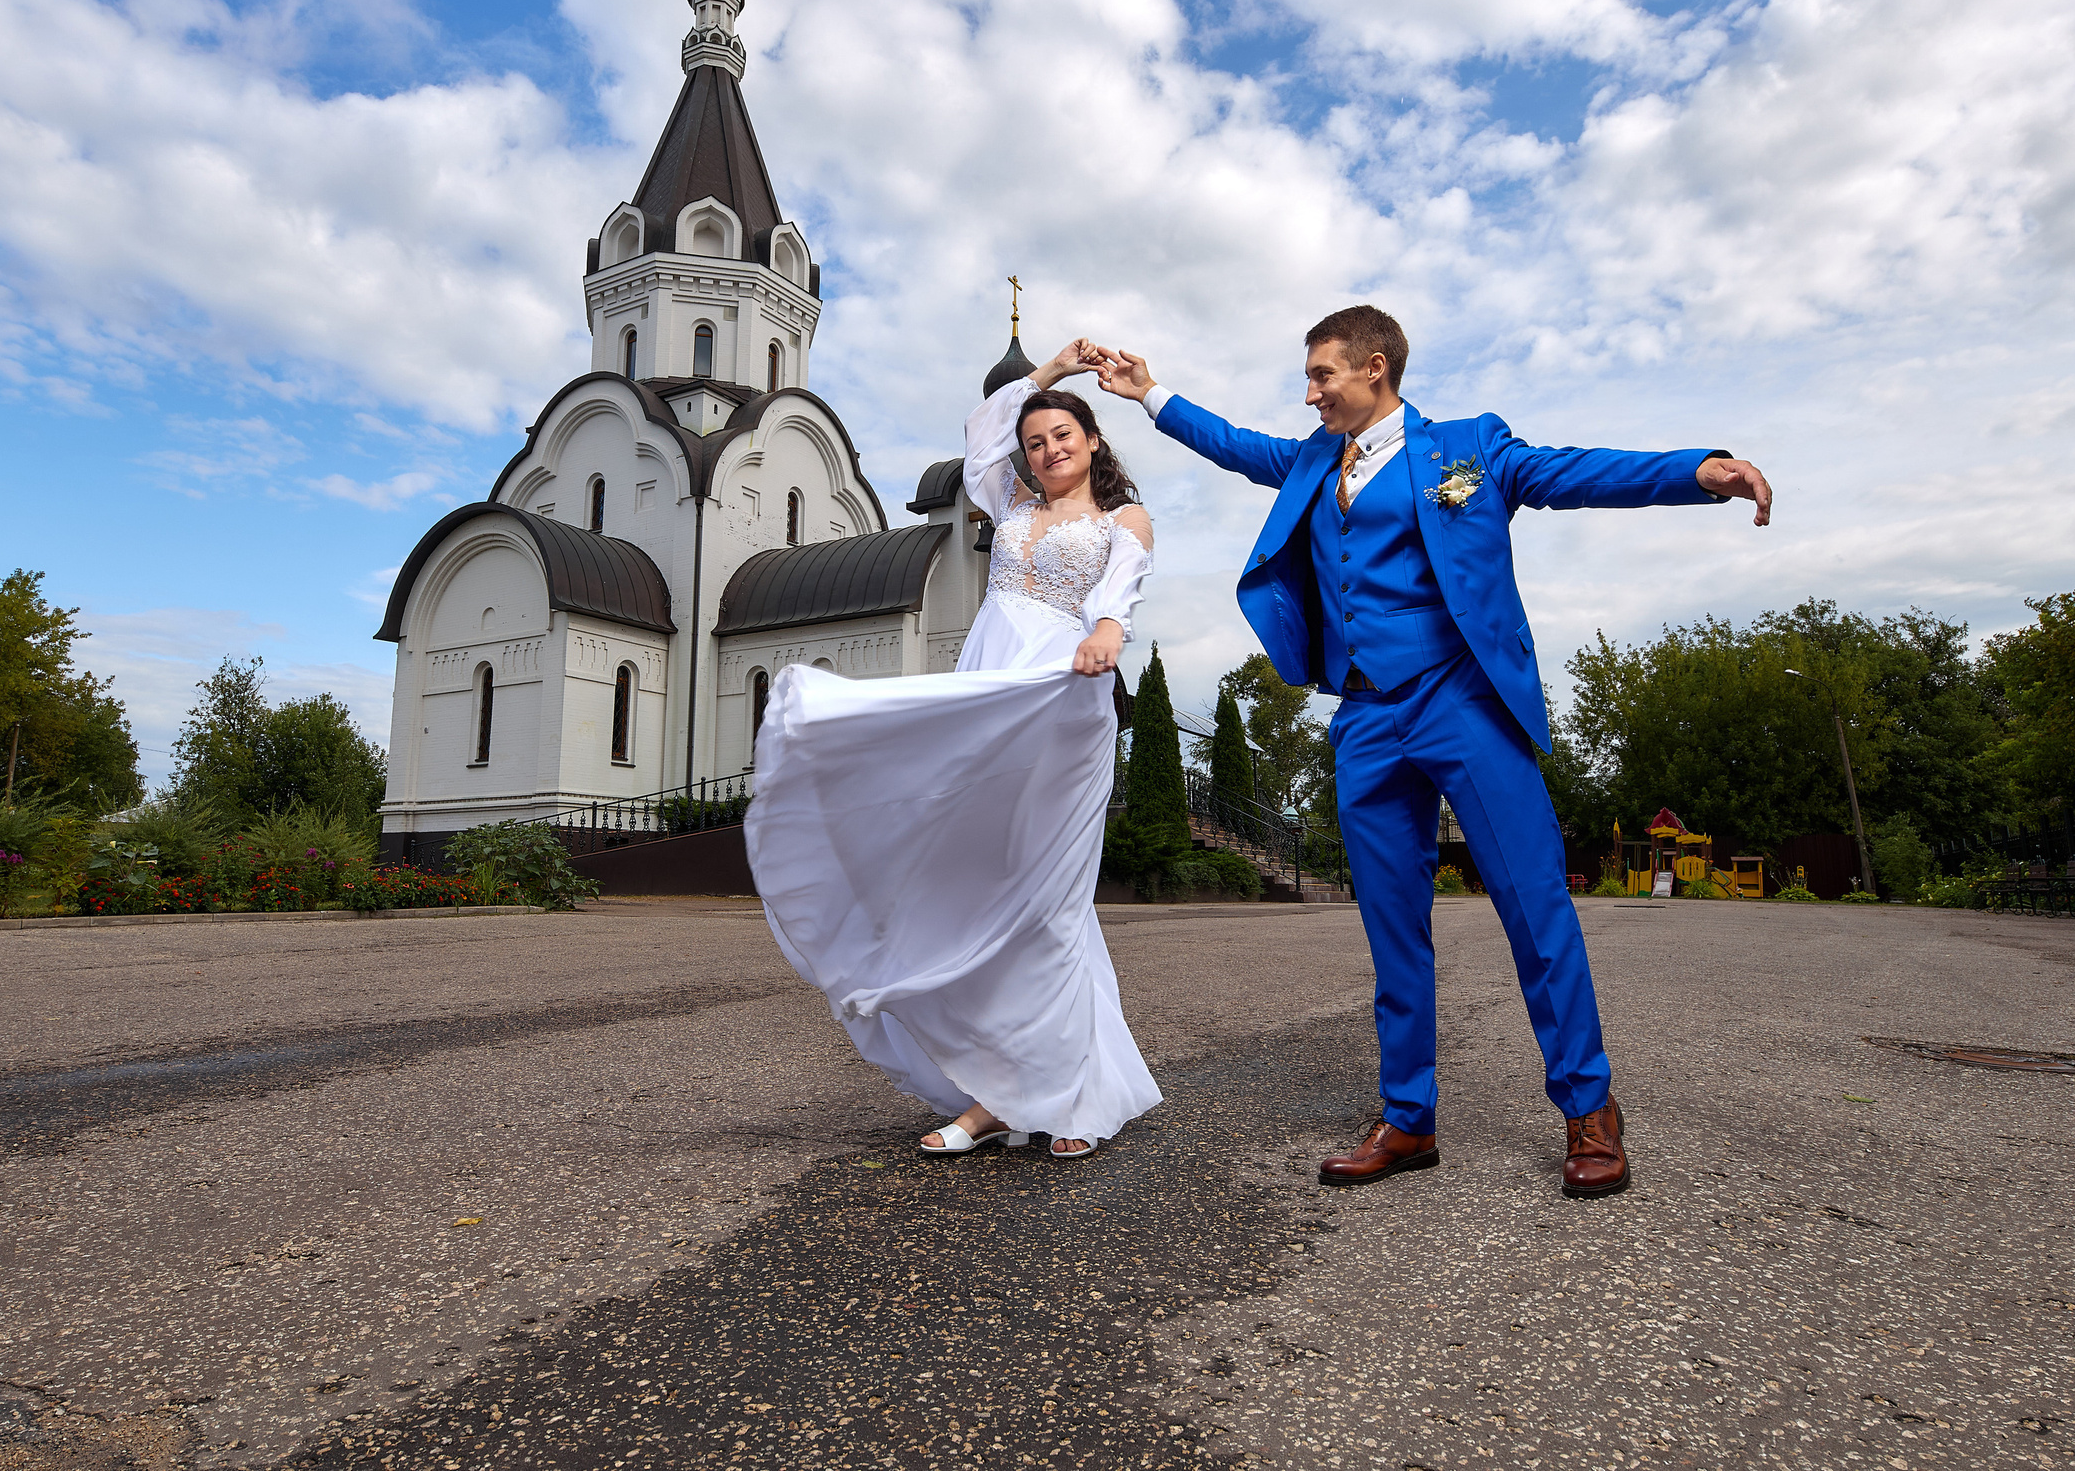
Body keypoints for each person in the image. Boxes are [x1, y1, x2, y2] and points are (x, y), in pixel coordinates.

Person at [1096, 306, 1772, 1198]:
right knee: (1391, 928)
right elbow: (1233, 442)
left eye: (1322, 376)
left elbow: (1573, 471)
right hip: (1367, 719)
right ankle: (1408, 1119)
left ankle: (1590, 1112)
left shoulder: (1468, 448)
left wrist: (1698, 471)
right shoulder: (1310, 459)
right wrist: (1152, 394)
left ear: (1375, 369)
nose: (1310, 394)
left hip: (1462, 702)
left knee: (1535, 909)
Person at [745, 339, 1162, 1160]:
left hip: (1060, 696)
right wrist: (1045, 374)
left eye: (1065, 437)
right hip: (986, 692)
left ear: (1096, 443)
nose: (1049, 449)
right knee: (975, 885)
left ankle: (1067, 1092)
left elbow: (1124, 589)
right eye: (1037, 441)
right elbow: (984, 429)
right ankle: (995, 1097)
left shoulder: (1123, 519)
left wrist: (1108, 631)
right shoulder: (1007, 502)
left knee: (1046, 902)